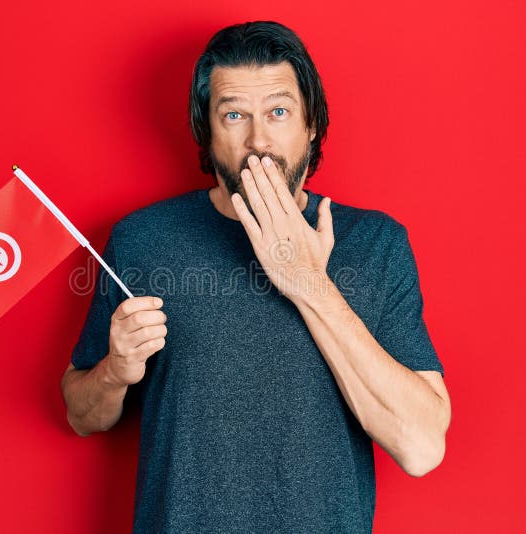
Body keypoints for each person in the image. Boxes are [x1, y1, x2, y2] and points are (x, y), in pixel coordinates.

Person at [61, 20, 451, 533]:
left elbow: (422, 447)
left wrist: (309, 282)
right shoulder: (143, 238)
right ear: (207, 129)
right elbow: (80, 413)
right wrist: (114, 370)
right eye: (234, 114)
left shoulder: (376, 244)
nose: (258, 138)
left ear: (311, 124)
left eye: (279, 112)